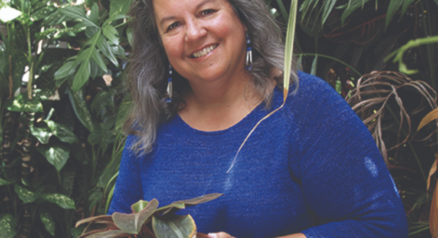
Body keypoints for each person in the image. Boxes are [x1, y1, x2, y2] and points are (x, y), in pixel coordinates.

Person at [108, 0, 408, 237]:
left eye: (207, 11)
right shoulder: (150, 126)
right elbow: (116, 231)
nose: (194, 32)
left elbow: (382, 226)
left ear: (242, 16)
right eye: (173, 25)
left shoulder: (301, 105)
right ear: (159, 44)